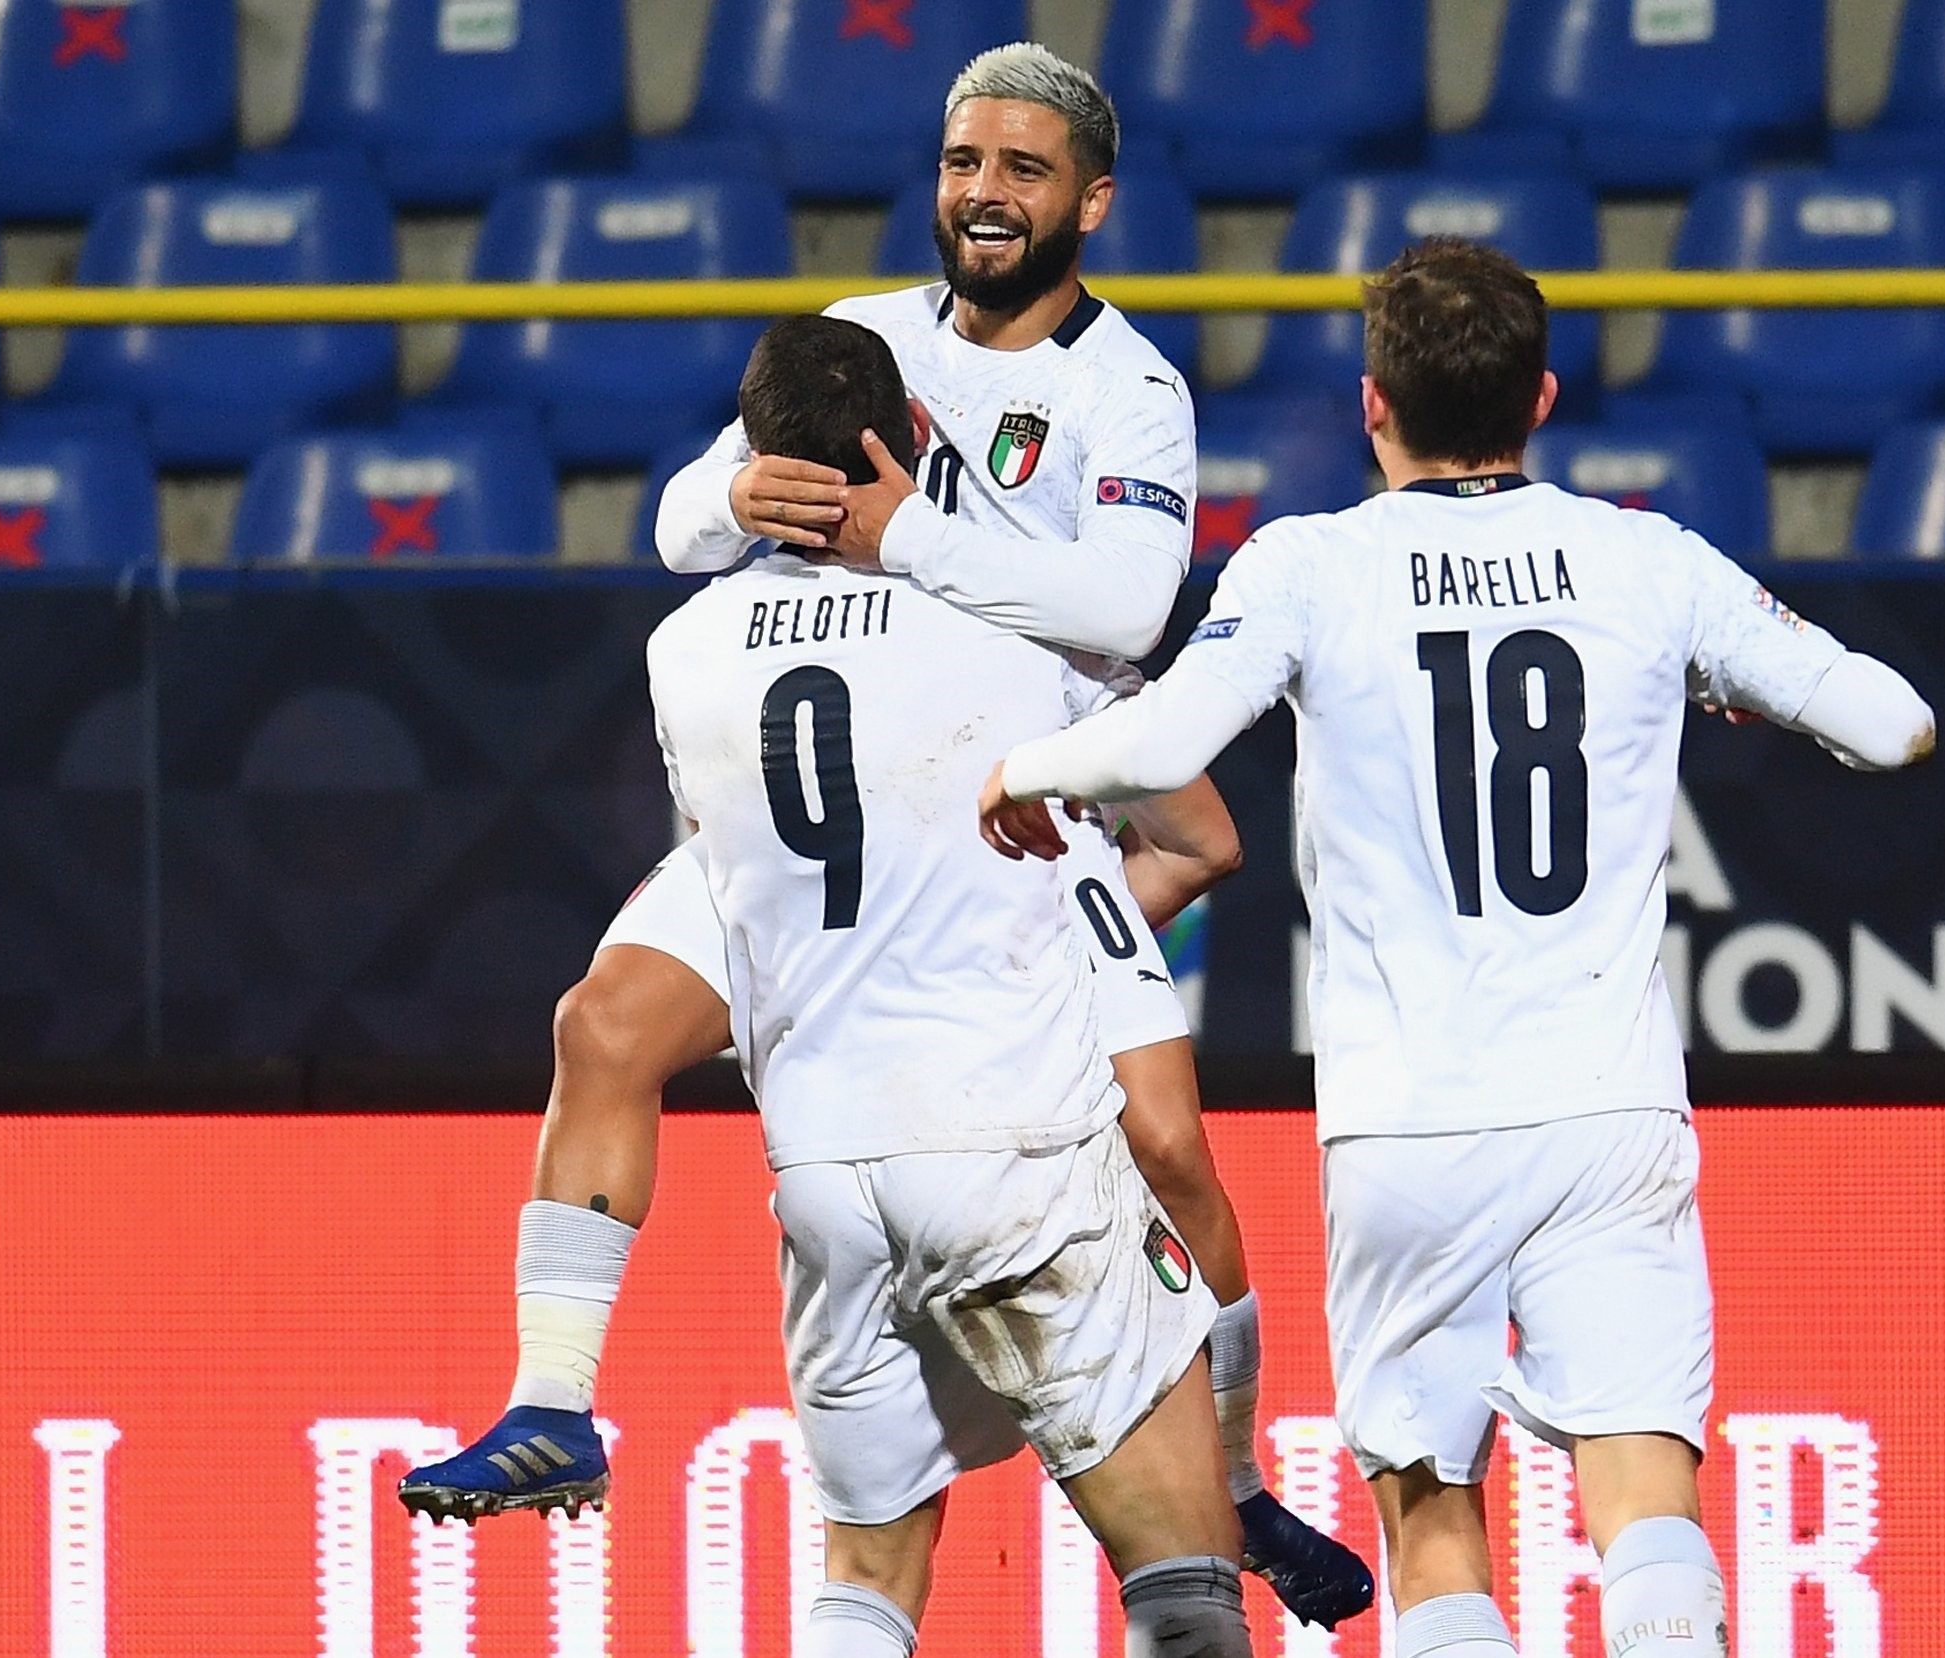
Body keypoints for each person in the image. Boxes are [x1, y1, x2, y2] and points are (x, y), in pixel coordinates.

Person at [405, 40, 1374, 1628]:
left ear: (1091, 200)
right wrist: (757, 504)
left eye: (1021, 171)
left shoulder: (1123, 386)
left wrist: (900, 533)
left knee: (1170, 1147)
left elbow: (1133, 607)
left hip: (1023, 793)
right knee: (601, 1023)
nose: (983, 195)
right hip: (838, 765)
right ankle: (552, 1399)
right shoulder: (855, 340)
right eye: (963, 164)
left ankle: (1240, 1470)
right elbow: (673, 523)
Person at [977, 238, 1938, 1658]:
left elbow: (1164, 740)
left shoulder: (1311, 564)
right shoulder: (1641, 558)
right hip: (1603, 1108)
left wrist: (1020, 768)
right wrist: (1733, 684)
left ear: (1373, 406)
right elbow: (1892, 721)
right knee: (1641, 1483)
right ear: (1540, 397)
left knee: (1432, 1510)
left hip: (1403, 1122)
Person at [715, 314, 1261, 1654]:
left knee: (865, 1569)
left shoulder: (686, 656)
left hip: (824, 1172)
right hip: (1000, 1145)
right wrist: (1069, 923)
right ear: (908, 443)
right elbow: (1200, 829)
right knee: (1185, 1572)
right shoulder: (1017, 642)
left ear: (754, 463)